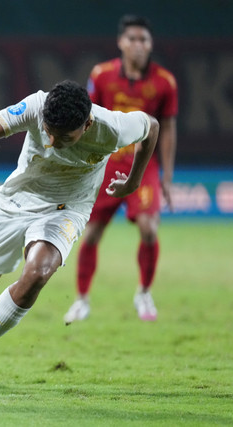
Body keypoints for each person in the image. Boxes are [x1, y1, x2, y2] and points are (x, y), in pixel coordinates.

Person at [0, 80, 159, 381]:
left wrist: (134, 181)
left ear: (87, 123)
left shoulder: (113, 127)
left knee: (38, 273)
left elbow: (152, 126)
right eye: (48, 132)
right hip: (16, 201)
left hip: (67, 209)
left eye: (64, 137)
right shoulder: (38, 106)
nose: (52, 141)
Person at [63, 15, 178, 324]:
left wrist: (167, 176)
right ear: (121, 43)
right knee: (90, 236)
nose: (138, 45)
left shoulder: (164, 82)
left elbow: (166, 129)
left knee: (149, 229)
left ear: (151, 44)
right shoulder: (101, 76)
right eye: (132, 39)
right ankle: (81, 300)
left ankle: (143, 292)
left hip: (143, 164)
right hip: (106, 163)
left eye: (144, 39)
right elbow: (87, 120)